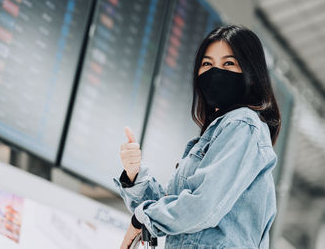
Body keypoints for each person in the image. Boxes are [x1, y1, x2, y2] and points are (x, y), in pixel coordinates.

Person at [113, 24, 281, 249]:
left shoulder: (243, 124)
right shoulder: (215, 134)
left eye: (228, 63)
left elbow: (203, 206)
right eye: (207, 64)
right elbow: (173, 208)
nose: (215, 72)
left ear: (251, 74)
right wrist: (134, 175)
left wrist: (142, 220)